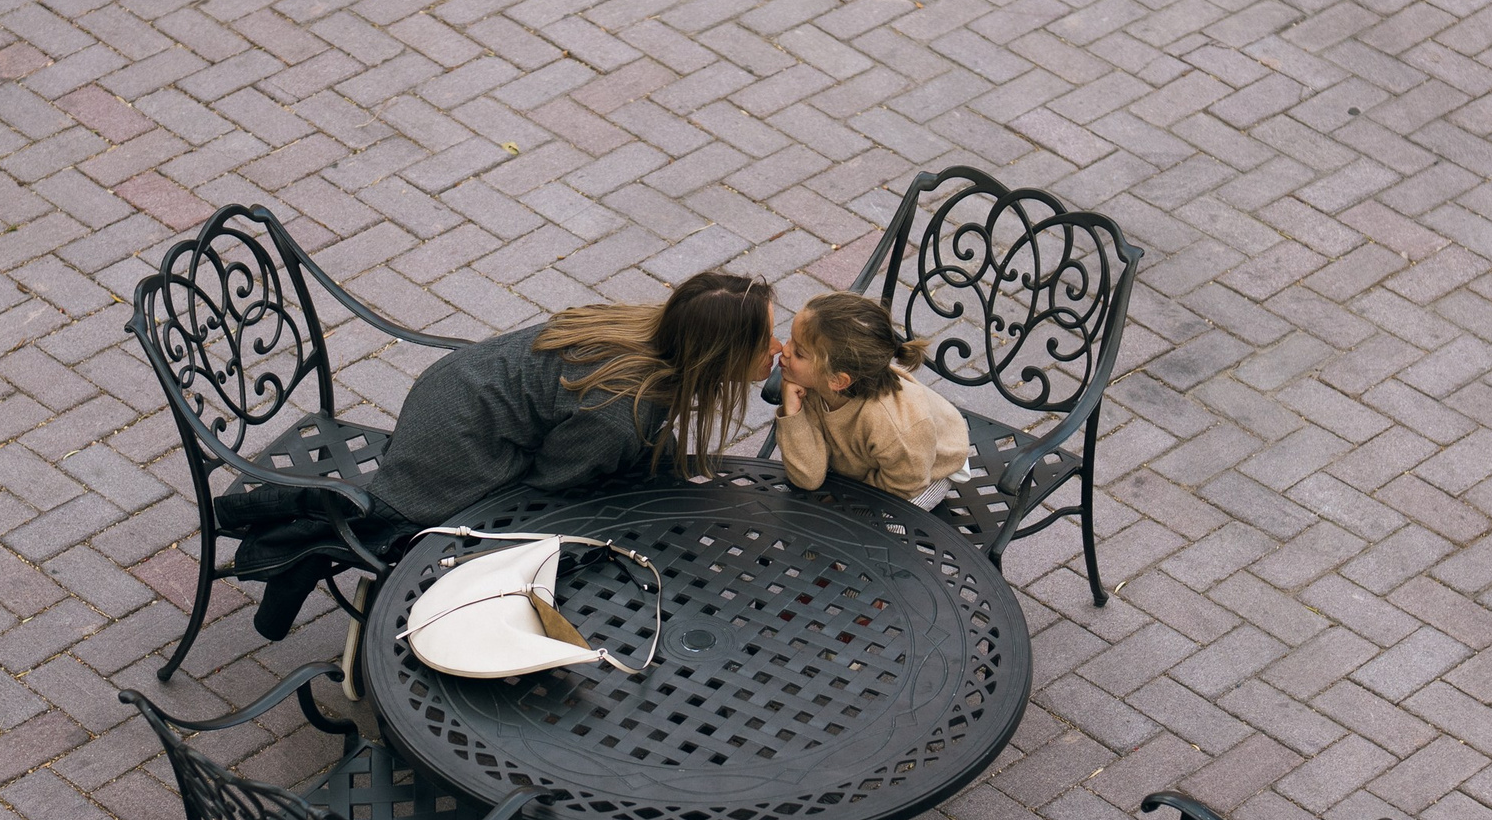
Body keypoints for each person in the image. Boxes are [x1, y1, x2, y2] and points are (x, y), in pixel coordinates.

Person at [221, 271, 776, 640]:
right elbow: (555, 482)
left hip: (456, 387)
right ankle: (310, 540)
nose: (777, 349)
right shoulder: (618, 413)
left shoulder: (648, 330)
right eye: (766, 341)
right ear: (718, 354)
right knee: (416, 527)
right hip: (456, 443)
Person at [773, 290, 970, 508]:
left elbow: (906, 484)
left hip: (924, 470)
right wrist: (793, 413)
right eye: (791, 340)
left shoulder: (895, 424)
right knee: (785, 500)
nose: (785, 350)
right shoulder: (812, 386)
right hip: (862, 460)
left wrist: (846, 500)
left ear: (837, 380)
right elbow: (808, 477)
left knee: (880, 524)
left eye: (799, 353)